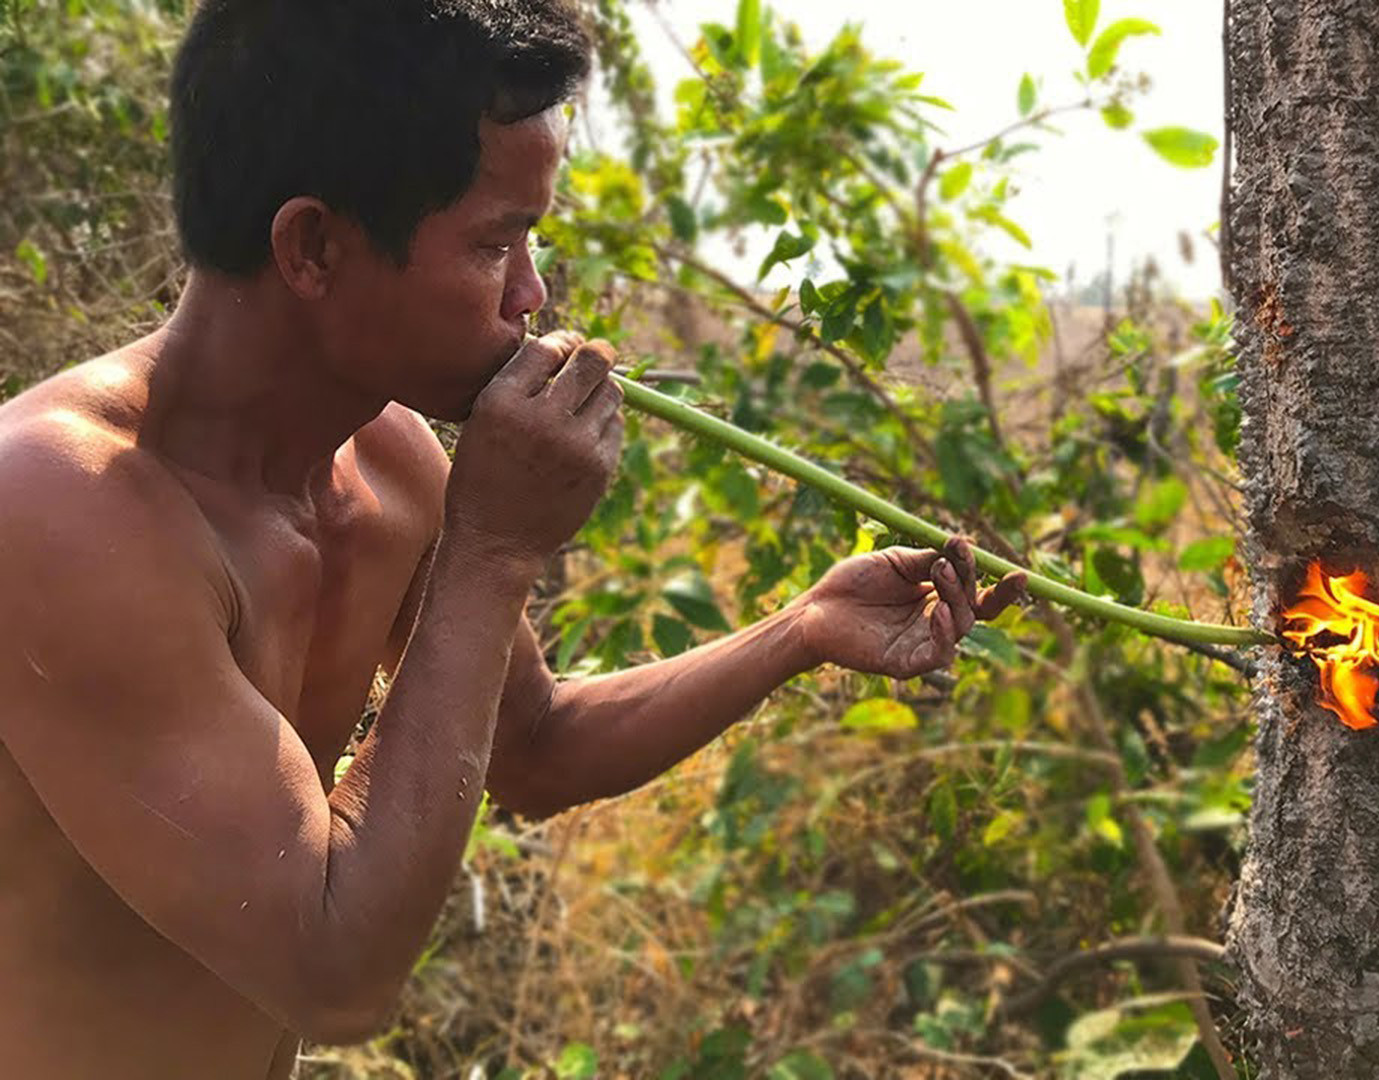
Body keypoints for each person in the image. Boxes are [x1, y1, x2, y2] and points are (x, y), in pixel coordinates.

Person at [0, 1, 1025, 1075]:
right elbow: (337, 975)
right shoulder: (59, 509)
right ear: (312, 246)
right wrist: (490, 549)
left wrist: (802, 629)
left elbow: (534, 748)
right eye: (496, 240)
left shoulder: (388, 461)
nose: (533, 295)